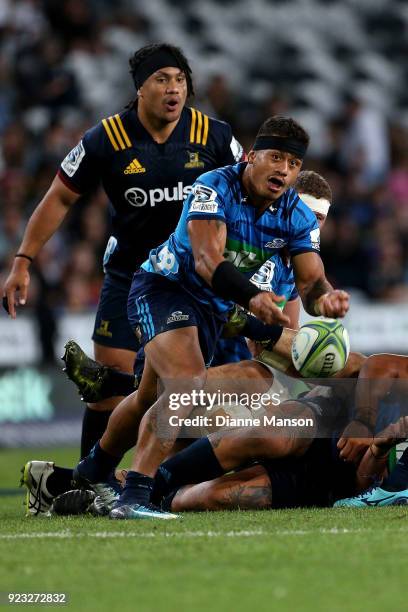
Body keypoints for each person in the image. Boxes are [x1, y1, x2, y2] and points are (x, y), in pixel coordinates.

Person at [72, 115, 349, 520]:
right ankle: (135, 495)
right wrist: (253, 299)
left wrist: (326, 301)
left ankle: (93, 468)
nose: (283, 170)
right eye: (275, 158)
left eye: (292, 164)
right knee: (186, 385)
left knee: (151, 395)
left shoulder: (297, 216)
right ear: (251, 156)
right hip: (165, 287)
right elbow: (206, 260)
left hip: (215, 311)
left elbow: (311, 282)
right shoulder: (213, 186)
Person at [2, 43, 245, 461]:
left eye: (180, 80)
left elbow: (250, 193)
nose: (173, 89)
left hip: (196, 280)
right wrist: (23, 260)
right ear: (140, 89)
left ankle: (155, 482)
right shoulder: (106, 137)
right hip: (130, 277)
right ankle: (82, 485)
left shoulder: (215, 136)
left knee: (187, 391)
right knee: (106, 390)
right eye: (161, 80)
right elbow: (59, 198)